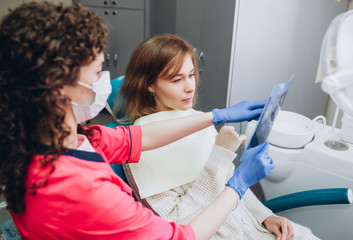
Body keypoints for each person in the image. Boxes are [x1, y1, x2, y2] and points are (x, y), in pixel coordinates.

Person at [0, 3, 274, 240]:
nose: (104, 79)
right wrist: (237, 183)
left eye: (191, 75)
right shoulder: (81, 189)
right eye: (97, 71)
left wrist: (217, 116)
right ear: (56, 86)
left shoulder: (62, 137)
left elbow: (134, 138)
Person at [115, 34, 320, 240]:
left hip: (253, 227)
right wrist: (220, 155)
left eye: (191, 74)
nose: (189, 87)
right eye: (177, 79)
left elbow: (231, 182)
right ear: (150, 85)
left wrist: (265, 217)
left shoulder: (199, 121)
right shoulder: (140, 148)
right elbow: (179, 224)